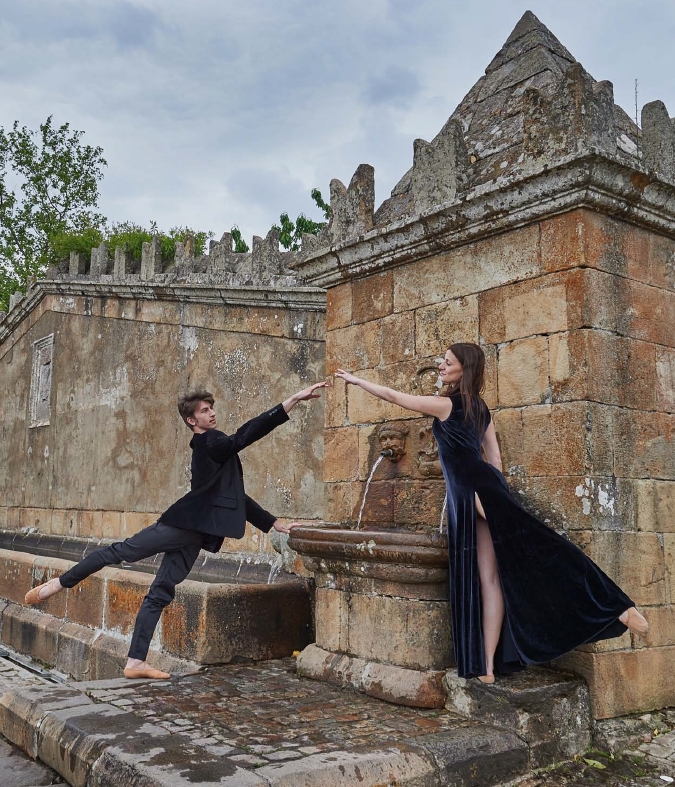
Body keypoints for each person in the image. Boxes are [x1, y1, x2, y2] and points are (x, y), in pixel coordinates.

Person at [335, 344, 647, 683]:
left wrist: (357, 380)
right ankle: (485, 666)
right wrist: (495, 495)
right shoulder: (481, 409)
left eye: (448, 362)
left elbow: (394, 397)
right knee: (491, 579)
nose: (441, 365)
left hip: (474, 492)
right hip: (482, 490)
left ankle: (618, 607)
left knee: (543, 548)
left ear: (463, 369)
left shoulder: (445, 406)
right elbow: (495, 460)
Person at [25, 382, 325, 679]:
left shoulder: (210, 452)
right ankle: (60, 584)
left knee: (160, 592)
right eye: (204, 411)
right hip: (181, 526)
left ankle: (135, 662)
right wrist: (292, 401)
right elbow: (246, 435)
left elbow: (233, 499)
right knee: (120, 552)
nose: (211, 414)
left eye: (212, 409)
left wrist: (273, 523)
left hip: (195, 535)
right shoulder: (211, 442)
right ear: (191, 421)